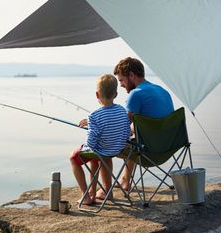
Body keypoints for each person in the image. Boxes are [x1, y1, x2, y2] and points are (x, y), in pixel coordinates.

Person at [113, 57, 174, 190]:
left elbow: (122, 127)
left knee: (104, 143)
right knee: (134, 138)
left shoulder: (136, 94)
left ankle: (104, 189)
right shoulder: (162, 90)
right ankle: (125, 180)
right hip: (169, 147)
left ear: (131, 75)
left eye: (122, 80)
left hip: (148, 152)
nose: (121, 85)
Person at [70, 74, 131, 205]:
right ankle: (105, 191)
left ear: (97, 95)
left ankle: (86, 195)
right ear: (115, 94)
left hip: (102, 151)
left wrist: (85, 145)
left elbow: (91, 143)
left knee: (73, 158)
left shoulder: (93, 116)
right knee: (98, 158)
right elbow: (126, 132)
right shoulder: (122, 111)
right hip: (117, 149)